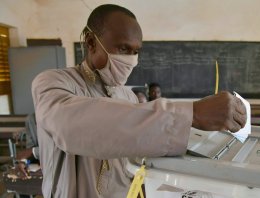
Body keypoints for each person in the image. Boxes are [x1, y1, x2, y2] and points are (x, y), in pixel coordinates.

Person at [31, 4, 246, 198]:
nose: (131, 60)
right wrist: (193, 113)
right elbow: (74, 126)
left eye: (135, 52)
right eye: (123, 49)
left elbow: (138, 159)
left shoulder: (128, 96)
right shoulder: (53, 83)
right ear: (90, 42)